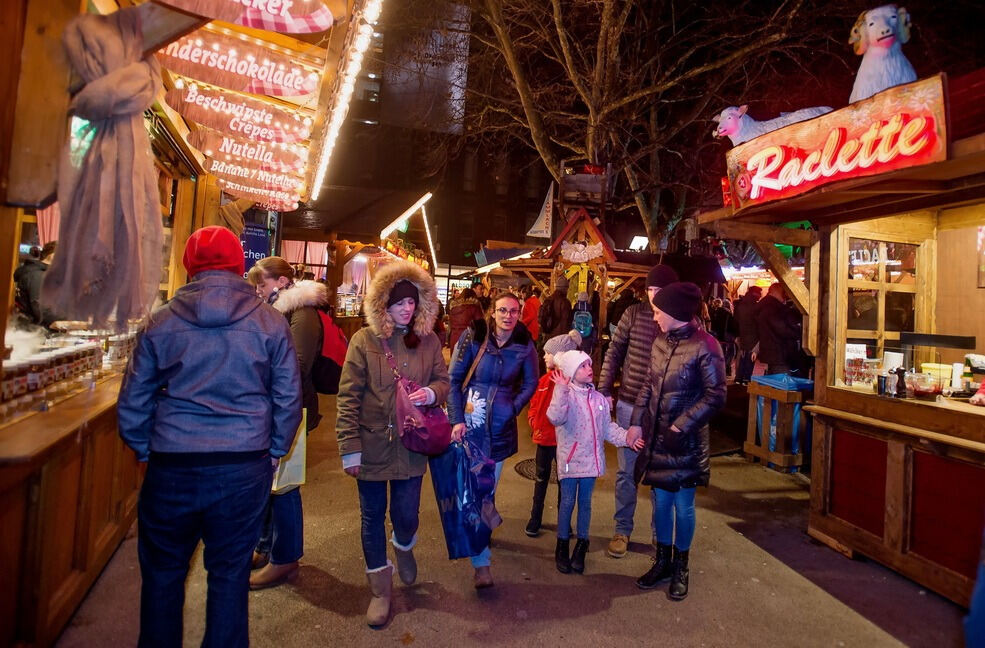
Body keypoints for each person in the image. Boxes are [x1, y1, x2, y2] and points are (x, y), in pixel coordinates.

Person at [118, 226, 302, 647]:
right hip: (243, 466)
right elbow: (287, 397)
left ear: (188, 266)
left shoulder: (159, 322)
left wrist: (148, 448)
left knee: (163, 577)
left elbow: (132, 403)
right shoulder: (271, 323)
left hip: (172, 466)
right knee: (229, 576)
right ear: (239, 266)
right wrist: (275, 449)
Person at [336, 261, 449, 627]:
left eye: (413, 302)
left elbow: (443, 381)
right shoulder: (363, 341)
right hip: (371, 445)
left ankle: (403, 545)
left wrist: (432, 393)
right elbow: (348, 396)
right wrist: (349, 445)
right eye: (400, 302)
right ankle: (380, 590)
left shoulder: (430, 342)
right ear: (384, 303)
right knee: (371, 518)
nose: (407, 308)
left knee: (406, 514)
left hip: (412, 446)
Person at [628, 282, 726, 599]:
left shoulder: (707, 346)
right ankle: (663, 561)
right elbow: (648, 384)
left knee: (683, 506)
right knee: (661, 504)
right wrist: (636, 423)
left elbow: (716, 396)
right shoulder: (659, 342)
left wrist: (681, 427)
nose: (655, 317)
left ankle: (681, 565)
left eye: (658, 312)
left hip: (685, 442)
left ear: (674, 313)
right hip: (657, 436)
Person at [246, 257, 328, 590]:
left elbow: (299, 364)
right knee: (271, 483)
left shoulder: (303, 314)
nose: (257, 291)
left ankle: (285, 557)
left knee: (285, 487)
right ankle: (266, 546)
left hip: (292, 410)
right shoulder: (284, 312)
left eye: (261, 285)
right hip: (276, 407)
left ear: (279, 282)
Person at [448, 292, 539, 588]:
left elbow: (531, 382)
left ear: (520, 313)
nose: (508, 316)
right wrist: (457, 418)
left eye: (513, 311)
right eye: (502, 310)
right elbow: (453, 379)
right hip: (470, 424)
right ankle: (481, 557)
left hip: (499, 428)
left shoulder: (525, 344)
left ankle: (480, 555)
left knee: (486, 491)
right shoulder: (474, 335)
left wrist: (511, 407)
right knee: (470, 492)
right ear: (492, 311)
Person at [597, 264, 678, 559]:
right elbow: (614, 351)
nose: (654, 296)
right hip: (630, 402)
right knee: (626, 472)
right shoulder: (633, 314)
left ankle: (660, 534)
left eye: (659, 290)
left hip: (663, 409)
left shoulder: (681, 320)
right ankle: (622, 529)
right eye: (650, 290)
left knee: (659, 474)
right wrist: (605, 388)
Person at [547, 350, 643, 575]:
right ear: (571, 371)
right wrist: (560, 389)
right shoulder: (565, 394)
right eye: (583, 366)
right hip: (571, 462)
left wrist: (627, 438)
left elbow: (607, 428)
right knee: (567, 502)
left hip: (590, 462)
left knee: (586, 504)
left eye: (590, 364)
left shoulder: (598, 399)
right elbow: (555, 417)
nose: (589, 369)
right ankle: (562, 545)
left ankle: (582, 543)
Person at [524, 329, 582, 537]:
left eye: (548, 353)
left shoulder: (572, 384)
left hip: (564, 441)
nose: (544, 355)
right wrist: (532, 420)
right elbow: (534, 403)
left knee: (564, 483)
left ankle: (564, 522)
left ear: (559, 357)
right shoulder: (543, 381)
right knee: (541, 479)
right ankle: (535, 518)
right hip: (544, 439)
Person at [755, 283, 802, 375]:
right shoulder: (772, 308)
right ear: (777, 292)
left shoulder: (767, 306)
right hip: (779, 353)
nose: (785, 295)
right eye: (783, 292)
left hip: (773, 352)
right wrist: (799, 332)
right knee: (782, 385)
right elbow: (782, 329)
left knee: (776, 382)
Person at [14, 241, 57, 325]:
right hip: (31, 333)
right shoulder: (37, 276)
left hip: (35, 332)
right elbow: (42, 311)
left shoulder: (39, 274)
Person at [733, 286, 762, 384]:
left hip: (741, 334)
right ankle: (746, 378)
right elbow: (758, 322)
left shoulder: (741, 304)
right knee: (751, 357)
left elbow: (736, 320)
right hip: (753, 336)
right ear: (756, 293)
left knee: (742, 356)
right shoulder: (755, 306)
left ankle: (739, 378)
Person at [708, 298, 738, 378]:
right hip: (727, 334)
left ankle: (721, 368)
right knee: (731, 352)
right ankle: (726, 367)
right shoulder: (728, 313)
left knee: (721, 351)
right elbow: (731, 325)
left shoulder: (714, 312)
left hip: (717, 334)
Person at [538, 276, 572, 341]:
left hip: (548, 336)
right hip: (560, 338)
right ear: (565, 289)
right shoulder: (565, 302)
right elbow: (566, 322)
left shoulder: (548, 300)